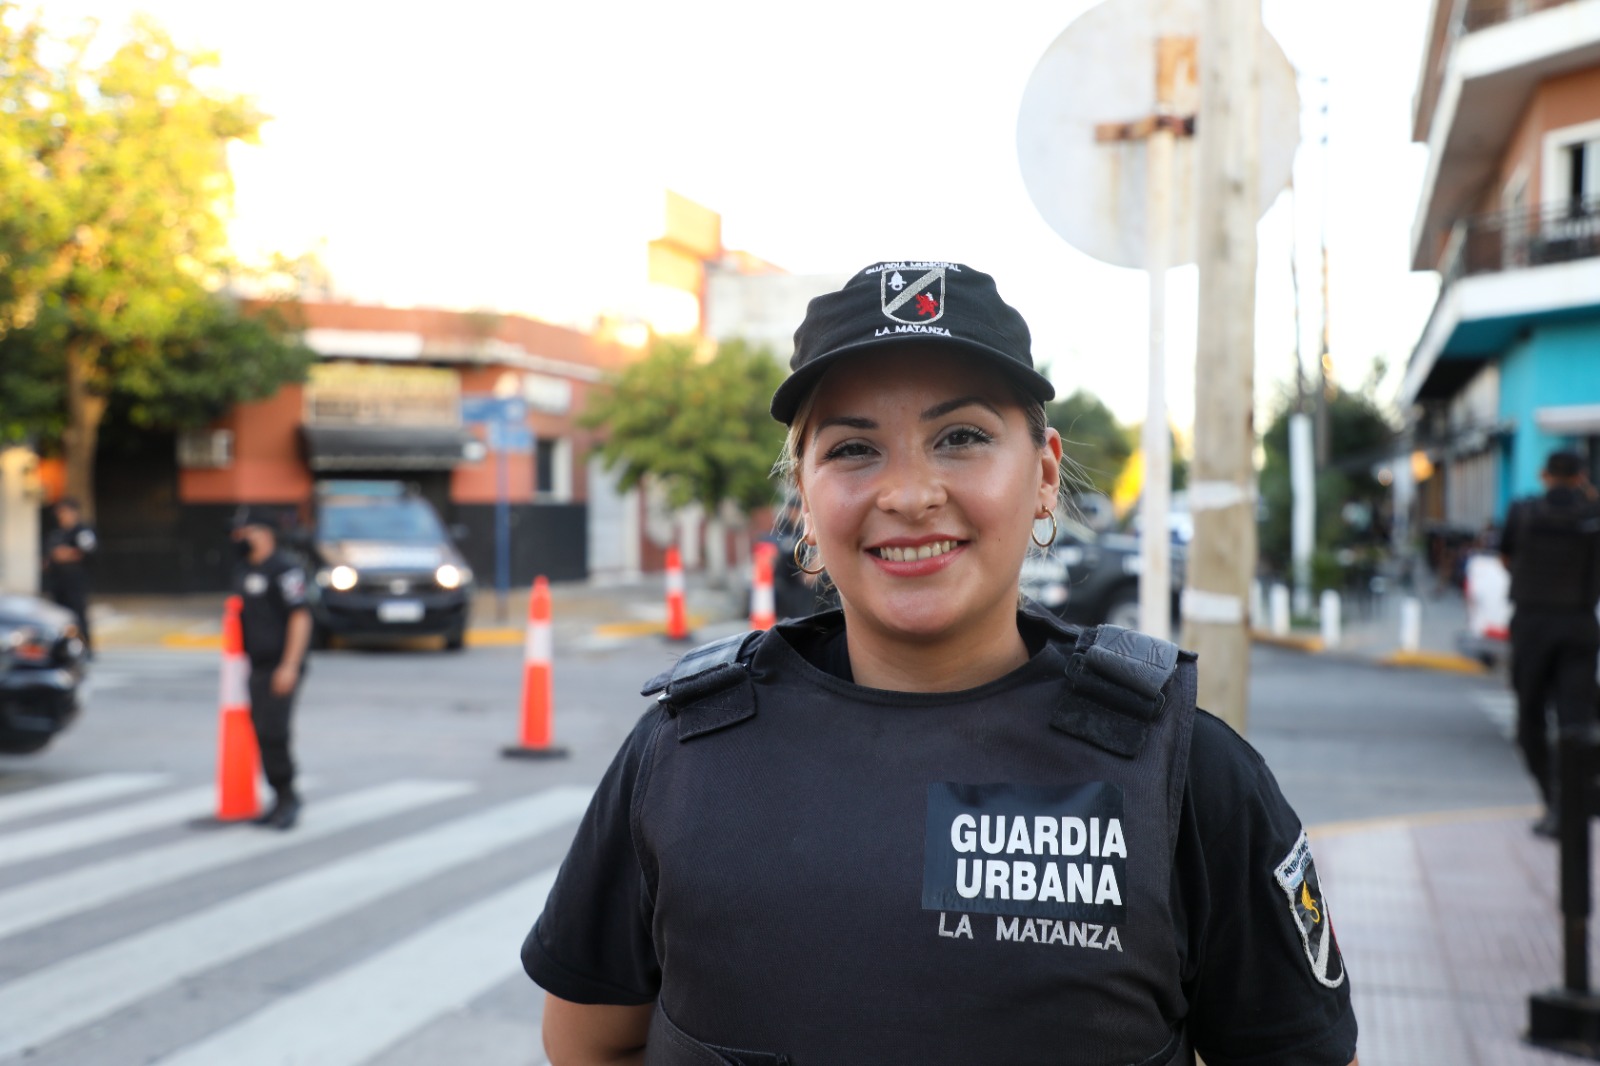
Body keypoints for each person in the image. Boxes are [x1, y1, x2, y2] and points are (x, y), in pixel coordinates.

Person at [522, 262, 1358, 1065]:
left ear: (1043, 474)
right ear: (803, 500)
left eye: (961, 437)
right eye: (853, 449)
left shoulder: (1185, 771)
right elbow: (590, 1042)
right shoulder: (681, 753)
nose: (911, 493)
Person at [1500, 449, 1600, 839]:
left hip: (1532, 625)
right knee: (1574, 723)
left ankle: (1555, 802)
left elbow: (1506, 557)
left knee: (1530, 720)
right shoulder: (1592, 515)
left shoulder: (1524, 512)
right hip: (1578, 625)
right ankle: (1572, 806)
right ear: (1579, 477)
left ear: (1543, 474)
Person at [231, 507, 312, 830]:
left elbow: (300, 616)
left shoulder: (286, 570)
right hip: (256, 665)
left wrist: (289, 665)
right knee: (262, 733)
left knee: (275, 732)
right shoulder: (244, 569)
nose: (240, 539)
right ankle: (278, 797)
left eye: (246, 532)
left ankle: (289, 797)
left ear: (265, 534)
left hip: (281, 665)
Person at [42, 497, 97, 657]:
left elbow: (86, 552)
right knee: (59, 617)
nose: (61, 516)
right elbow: (49, 556)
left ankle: (85, 648)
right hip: (57, 581)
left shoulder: (83, 532)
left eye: (64, 512)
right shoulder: (57, 533)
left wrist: (66, 554)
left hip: (75, 581)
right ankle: (62, 650)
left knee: (78, 615)